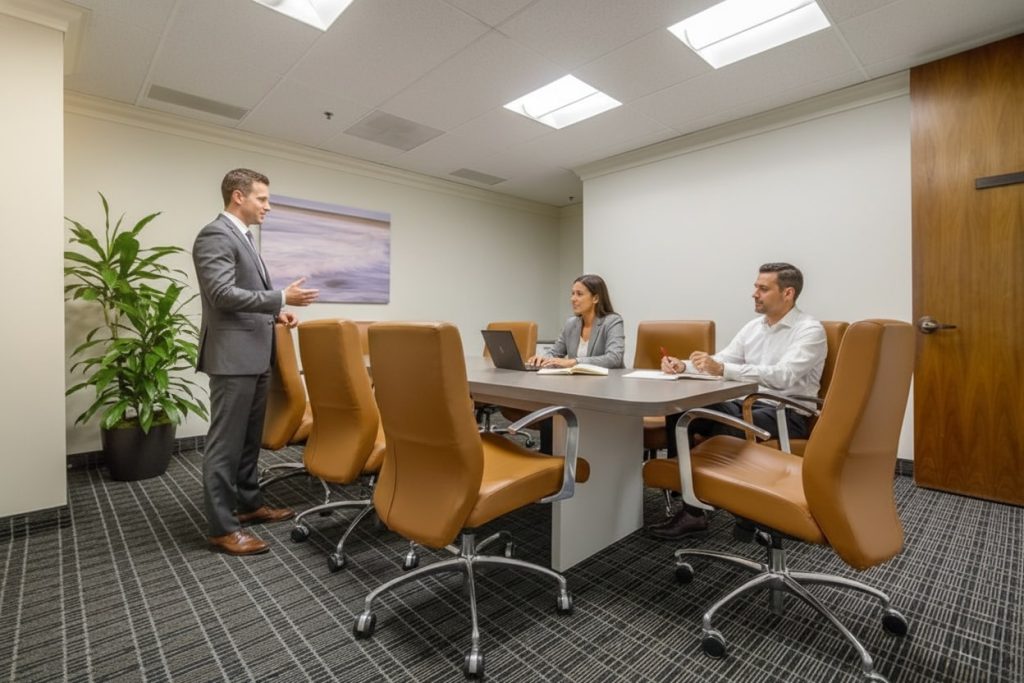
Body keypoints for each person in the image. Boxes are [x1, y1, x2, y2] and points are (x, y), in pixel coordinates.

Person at [648, 262, 826, 540]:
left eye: (763, 288)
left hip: (786, 414)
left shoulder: (809, 330)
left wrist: (724, 370)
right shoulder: (754, 327)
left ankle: (729, 508)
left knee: (726, 422)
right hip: (748, 406)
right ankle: (689, 494)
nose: (754, 293)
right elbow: (722, 361)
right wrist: (684, 366)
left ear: (788, 293)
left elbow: (785, 376)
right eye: (756, 287)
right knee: (682, 409)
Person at [193, 168, 319, 556]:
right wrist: (280, 298)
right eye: (262, 198)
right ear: (238, 196)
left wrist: (275, 314)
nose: (268, 205)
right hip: (232, 359)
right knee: (224, 445)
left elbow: (245, 295)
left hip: (254, 354)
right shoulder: (215, 234)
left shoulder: (244, 239)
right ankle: (222, 528)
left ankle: (247, 506)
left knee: (248, 441)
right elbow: (221, 294)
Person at [527, 273, 625, 369]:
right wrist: (542, 358)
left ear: (595, 298)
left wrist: (575, 362)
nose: (573, 299)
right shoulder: (571, 323)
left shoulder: (612, 321)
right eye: (572, 293)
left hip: (607, 383)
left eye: (579, 294)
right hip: (576, 382)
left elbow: (614, 358)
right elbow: (554, 353)